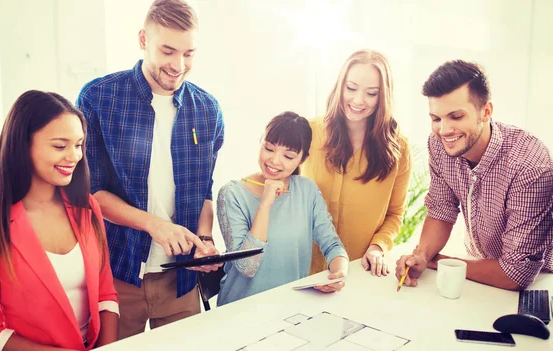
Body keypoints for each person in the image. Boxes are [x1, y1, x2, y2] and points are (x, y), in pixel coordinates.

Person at [75, 0, 224, 338]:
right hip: (116, 275)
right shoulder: (99, 99)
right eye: (168, 51)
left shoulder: (208, 110)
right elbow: (92, 192)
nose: (178, 65)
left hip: (181, 279)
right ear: (143, 39)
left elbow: (204, 191)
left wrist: (204, 241)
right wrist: (154, 225)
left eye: (189, 54)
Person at [0, 90, 119, 351]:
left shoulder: (86, 207)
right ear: (22, 145)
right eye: (59, 146)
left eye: (78, 144)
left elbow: (106, 295)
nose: (74, 156)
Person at [395, 60, 553, 290]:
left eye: (456, 117)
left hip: (539, 280)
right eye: (436, 119)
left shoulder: (529, 166)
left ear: (486, 111)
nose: (444, 130)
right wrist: (421, 255)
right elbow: (441, 209)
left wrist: (438, 262)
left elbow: (517, 273)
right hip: (479, 267)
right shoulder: (440, 144)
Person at [216, 112, 349, 306]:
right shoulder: (231, 194)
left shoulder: (307, 190)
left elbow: (333, 245)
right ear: (261, 142)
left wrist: (339, 273)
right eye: (269, 148)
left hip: (290, 308)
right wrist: (265, 204)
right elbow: (247, 267)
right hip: (240, 309)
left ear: (302, 159)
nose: (274, 161)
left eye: (288, 156)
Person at [301, 49, 411, 277]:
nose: (358, 100)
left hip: (358, 272)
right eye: (351, 88)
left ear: (384, 96)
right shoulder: (308, 133)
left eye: (371, 93)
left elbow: (395, 213)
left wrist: (378, 247)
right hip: (302, 269)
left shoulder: (399, 149)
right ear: (339, 86)